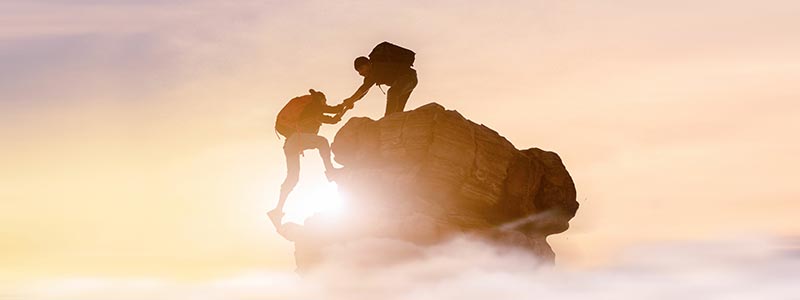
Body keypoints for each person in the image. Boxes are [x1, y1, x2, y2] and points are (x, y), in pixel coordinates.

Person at [268, 89, 343, 227]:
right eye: (324, 102)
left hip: (291, 144)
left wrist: (340, 112)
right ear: (321, 100)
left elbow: (331, 119)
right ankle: (330, 170)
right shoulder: (314, 105)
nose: (324, 104)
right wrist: (344, 105)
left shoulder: (311, 111)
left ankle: (277, 209)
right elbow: (331, 113)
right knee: (322, 142)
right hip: (297, 139)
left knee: (293, 178)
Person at [342, 42, 418, 117]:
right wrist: (352, 101)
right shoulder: (371, 75)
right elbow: (363, 92)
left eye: (361, 69)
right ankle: (392, 122)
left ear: (368, 64)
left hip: (408, 78)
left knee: (392, 93)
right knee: (398, 111)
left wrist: (351, 99)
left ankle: (387, 118)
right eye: (358, 71)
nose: (360, 73)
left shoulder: (376, 68)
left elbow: (364, 88)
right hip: (408, 80)